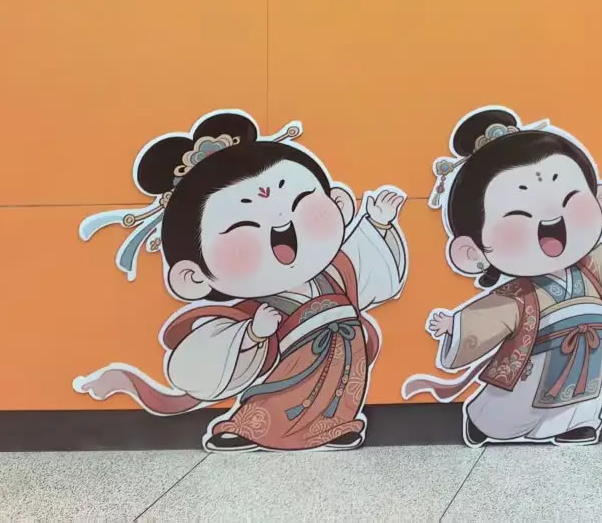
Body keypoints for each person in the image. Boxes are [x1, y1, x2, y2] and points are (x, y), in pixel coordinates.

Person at [75, 111, 408, 451]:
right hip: (291, 368)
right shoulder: (249, 311)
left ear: (337, 204)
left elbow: (370, 272)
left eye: (299, 204)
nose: (282, 224)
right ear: (193, 275)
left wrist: (378, 224)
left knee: (340, 395)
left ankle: (337, 427)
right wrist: (253, 334)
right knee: (275, 400)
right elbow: (212, 355)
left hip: (343, 361)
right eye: (244, 227)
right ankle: (246, 429)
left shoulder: (336, 273)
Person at [403, 109, 602, 446]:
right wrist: (455, 326)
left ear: (600, 201)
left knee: (586, 392)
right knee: (516, 402)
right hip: (537, 356)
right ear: (474, 250)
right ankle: (485, 422)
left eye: (569, 200)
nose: (552, 219)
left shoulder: (591, 269)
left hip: (592, 349)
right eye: (519, 214)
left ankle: (579, 423)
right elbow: (489, 317)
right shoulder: (519, 294)